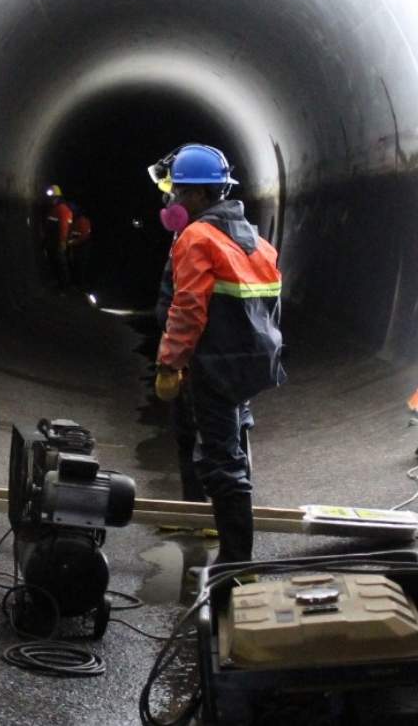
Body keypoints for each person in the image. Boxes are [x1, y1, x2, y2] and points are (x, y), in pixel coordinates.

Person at [148, 144, 284, 564]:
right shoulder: (256, 241)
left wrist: (169, 362)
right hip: (249, 361)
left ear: (203, 195)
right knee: (233, 450)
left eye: (181, 193)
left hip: (215, 365)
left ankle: (236, 563)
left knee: (222, 462)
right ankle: (228, 546)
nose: (174, 201)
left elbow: (188, 308)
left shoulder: (197, 238)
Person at [43, 185, 92, 289]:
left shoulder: (63, 210)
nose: (51, 200)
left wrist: (63, 242)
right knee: (57, 262)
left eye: (53, 197)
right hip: (54, 241)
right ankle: (62, 283)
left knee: (63, 263)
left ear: (58, 197)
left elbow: (64, 227)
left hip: (65, 243)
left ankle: (66, 285)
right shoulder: (54, 209)